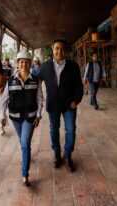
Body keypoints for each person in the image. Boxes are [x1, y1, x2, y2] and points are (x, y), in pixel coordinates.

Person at [0, 49, 43, 186]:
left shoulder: (35, 80)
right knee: (22, 140)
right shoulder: (11, 80)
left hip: (30, 117)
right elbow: (4, 100)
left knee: (25, 143)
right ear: (17, 64)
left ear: (30, 64)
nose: (23, 64)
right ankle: (26, 157)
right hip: (15, 117)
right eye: (21, 62)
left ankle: (25, 174)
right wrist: (2, 116)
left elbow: (40, 98)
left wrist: (39, 115)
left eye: (26, 62)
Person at [39, 39, 83, 172]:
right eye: (57, 48)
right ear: (53, 50)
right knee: (54, 129)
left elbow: (79, 86)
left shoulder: (73, 66)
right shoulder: (45, 67)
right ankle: (57, 154)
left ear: (65, 51)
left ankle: (68, 155)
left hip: (69, 105)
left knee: (70, 130)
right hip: (53, 105)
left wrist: (76, 100)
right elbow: (34, 81)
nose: (59, 51)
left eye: (62, 49)